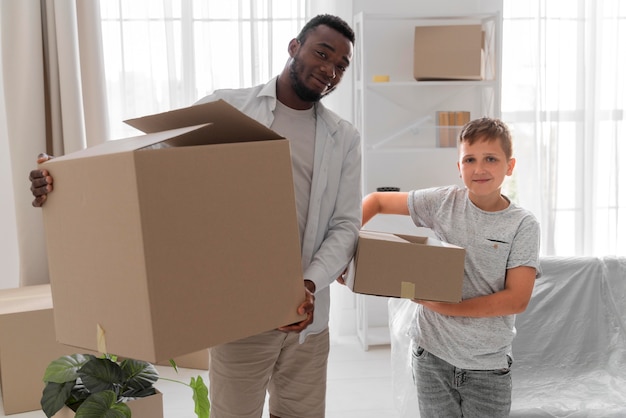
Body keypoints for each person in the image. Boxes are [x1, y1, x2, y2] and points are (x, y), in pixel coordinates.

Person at [29, 14, 361, 418]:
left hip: (309, 318)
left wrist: (307, 284)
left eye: (340, 65)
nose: (329, 70)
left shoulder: (343, 137)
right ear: (294, 47)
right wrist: (65, 170)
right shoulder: (227, 109)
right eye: (322, 53)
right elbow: (149, 159)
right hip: (240, 312)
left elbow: (345, 224)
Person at [360, 117, 540, 418]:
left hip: (487, 367)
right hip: (431, 355)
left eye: (491, 159)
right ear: (459, 167)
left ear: (509, 166)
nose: (479, 169)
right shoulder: (443, 202)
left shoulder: (523, 224)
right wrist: (342, 251)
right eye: (469, 159)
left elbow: (516, 299)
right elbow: (376, 201)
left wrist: (445, 306)